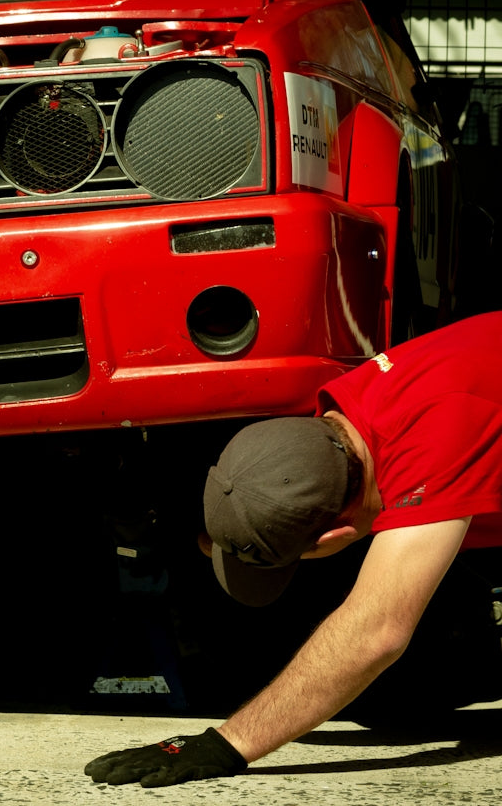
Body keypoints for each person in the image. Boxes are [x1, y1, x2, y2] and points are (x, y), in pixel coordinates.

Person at [84, 310, 502, 788]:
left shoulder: (437, 436)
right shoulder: (355, 403)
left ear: (333, 537)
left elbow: (377, 632)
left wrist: (228, 742)